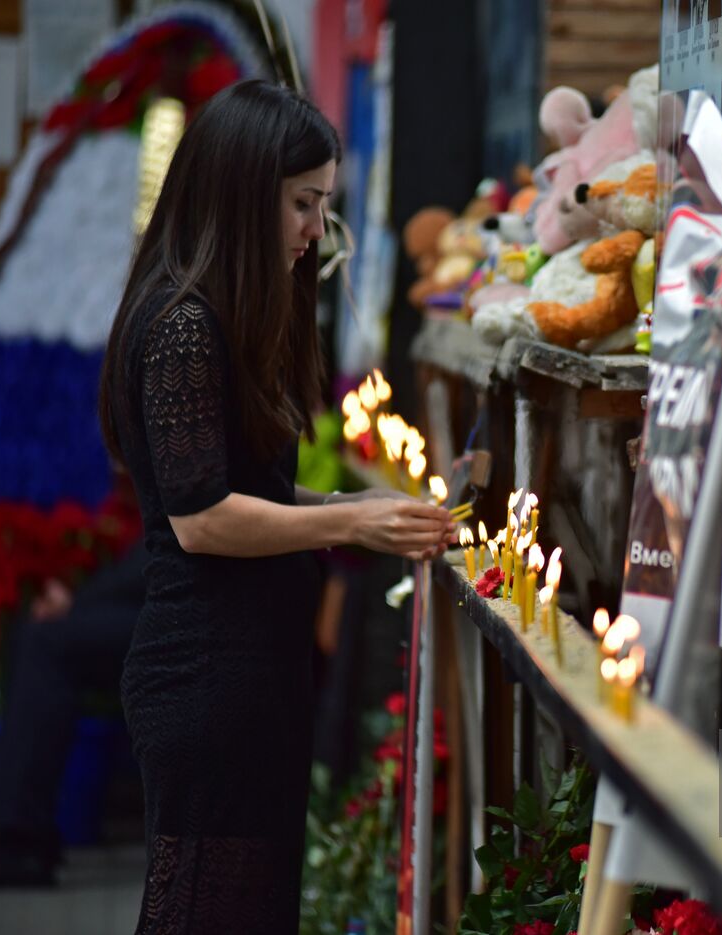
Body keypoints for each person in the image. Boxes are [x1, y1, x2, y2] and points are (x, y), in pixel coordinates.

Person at [96, 80, 454, 933]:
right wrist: (350, 521)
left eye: (323, 206)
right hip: (206, 677)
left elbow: (248, 490)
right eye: (302, 204)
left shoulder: (223, 318)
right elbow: (203, 518)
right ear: (240, 189)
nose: (315, 233)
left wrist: (361, 505)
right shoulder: (184, 325)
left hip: (251, 673)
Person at [0, 541, 147, 887]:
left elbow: (171, 547)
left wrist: (77, 602)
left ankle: (22, 837)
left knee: (47, 642)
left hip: (197, 611)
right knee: (30, 633)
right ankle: (22, 826)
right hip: (168, 599)